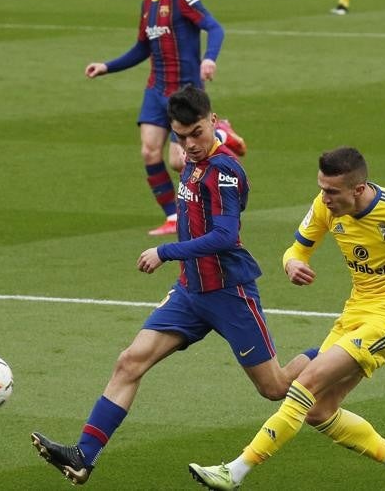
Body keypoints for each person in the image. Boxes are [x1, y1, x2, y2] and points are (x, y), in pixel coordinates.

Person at [30, 86, 312, 485]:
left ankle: (340, 351)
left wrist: (166, 251)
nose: (189, 144)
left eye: (196, 133)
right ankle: (82, 457)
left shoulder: (225, 172)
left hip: (229, 292)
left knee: (274, 387)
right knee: (130, 361)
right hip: (189, 292)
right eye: (180, 136)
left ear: (213, 121)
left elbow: (226, 236)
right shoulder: (193, 161)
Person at [188, 146, 385, 491]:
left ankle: (235, 472)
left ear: (358, 190)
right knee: (319, 411)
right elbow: (297, 248)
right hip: (353, 316)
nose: (324, 197)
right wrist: (292, 263)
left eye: (332, 191)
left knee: (304, 384)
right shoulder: (325, 207)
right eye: (322, 188)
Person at [84, 0, 246, 237]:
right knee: (148, 151)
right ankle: (172, 216)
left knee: (178, 160)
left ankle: (220, 130)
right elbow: (141, 48)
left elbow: (215, 27)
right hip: (155, 89)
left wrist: (209, 59)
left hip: (183, 91)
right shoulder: (147, 5)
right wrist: (107, 66)